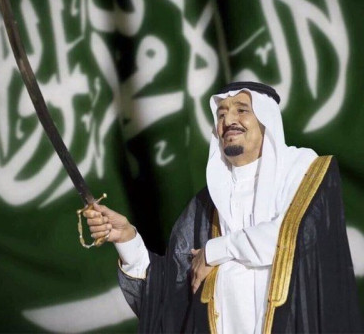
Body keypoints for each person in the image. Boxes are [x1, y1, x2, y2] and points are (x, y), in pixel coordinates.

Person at [84, 82, 362, 334]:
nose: (228, 120)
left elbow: (291, 237)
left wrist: (214, 251)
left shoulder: (305, 171)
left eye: (242, 110)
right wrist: (128, 239)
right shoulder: (207, 205)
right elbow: (169, 291)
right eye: (221, 115)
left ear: (266, 119)